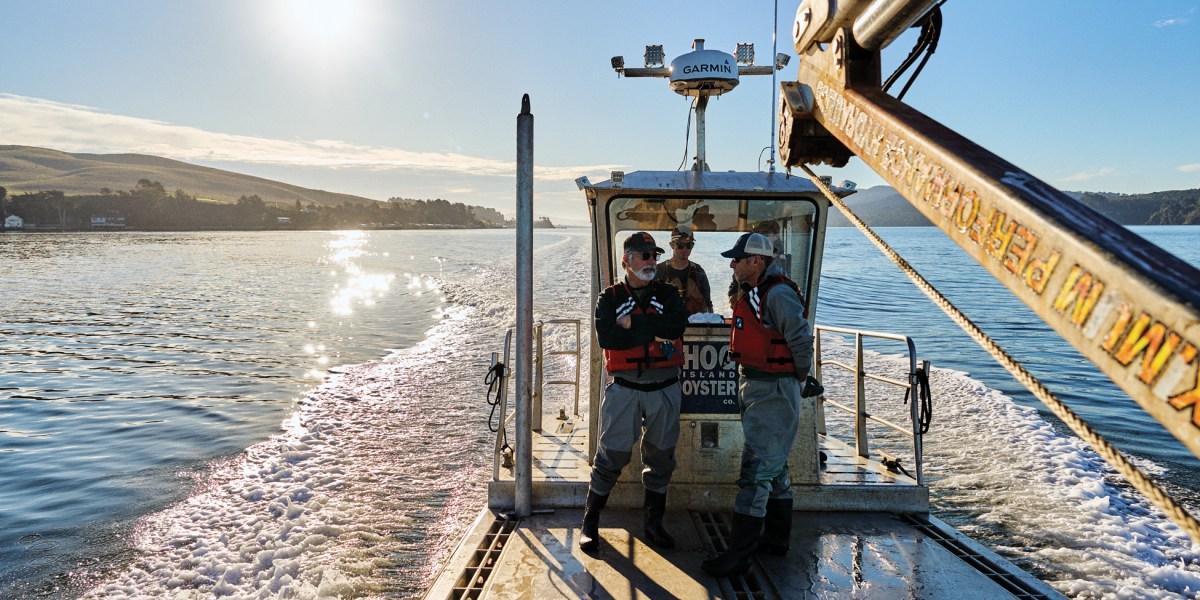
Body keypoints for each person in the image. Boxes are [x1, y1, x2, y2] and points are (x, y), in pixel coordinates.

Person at [701, 232, 815, 577]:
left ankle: (737, 556)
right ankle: (776, 540)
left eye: (738, 259)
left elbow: (800, 338)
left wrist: (796, 377)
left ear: (756, 261)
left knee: (755, 473)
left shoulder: (777, 294)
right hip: (760, 386)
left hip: (773, 391)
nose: (732, 264)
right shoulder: (756, 292)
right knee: (774, 468)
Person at [580, 231, 688, 553]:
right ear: (626, 260)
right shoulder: (609, 299)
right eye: (644, 255)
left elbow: (675, 328)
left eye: (655, 255)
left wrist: (632, 326)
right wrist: (650, 332)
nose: (652, 261)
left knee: (661, 458)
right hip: (625, 390)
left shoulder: (669, 294)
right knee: (610, 456)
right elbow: (608, 339)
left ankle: (653, 525)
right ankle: (590, 522)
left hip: (664, 389)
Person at [655, 226, 713, 316]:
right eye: (681, 245)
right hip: (668, 327)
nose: (685, 249)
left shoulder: (699, 271)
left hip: (695, 326)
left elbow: (708, 303)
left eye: (689, 245)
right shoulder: (659, 270)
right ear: (672, 245)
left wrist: (710, 323)